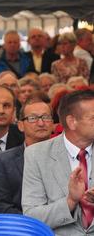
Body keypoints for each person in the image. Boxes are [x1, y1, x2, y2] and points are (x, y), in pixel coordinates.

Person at [22, 89, 94, 235]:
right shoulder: (37, 155)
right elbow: (32, 216)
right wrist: (70, 201)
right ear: (72, 122)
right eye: (93, 118)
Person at [0, 98, 54, 214]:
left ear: (53, 123)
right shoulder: (4, 160)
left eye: (46, 117)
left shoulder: (67, 154)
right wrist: (32, 223)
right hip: (23, 226)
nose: (41, 123)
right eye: (33, 118)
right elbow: (0, 204)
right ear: (20, 125)